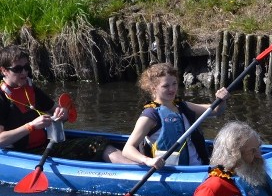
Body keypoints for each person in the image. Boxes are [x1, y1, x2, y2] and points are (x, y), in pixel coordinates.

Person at [0, 45, 131, 163]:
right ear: (4, 70)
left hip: (46, 147)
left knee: (100, 140)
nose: (23, 72)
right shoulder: (2, 98)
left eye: (26, 67)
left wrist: (63, 113)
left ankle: (137, 167)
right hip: (22, 155)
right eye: (17, 69)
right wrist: (31, 126)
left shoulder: (31, 89)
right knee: (97, 143)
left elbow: (59, 111)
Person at [122, 63, 230, 169]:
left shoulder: (183, 106)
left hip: (198, 167)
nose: (172, 89)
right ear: (153, 88)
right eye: (166, 86)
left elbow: (216, 110)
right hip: (172, 171)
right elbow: (127, 149)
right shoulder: (150, 115)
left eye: (174, 84)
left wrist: (221, 100)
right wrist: (148, 160)